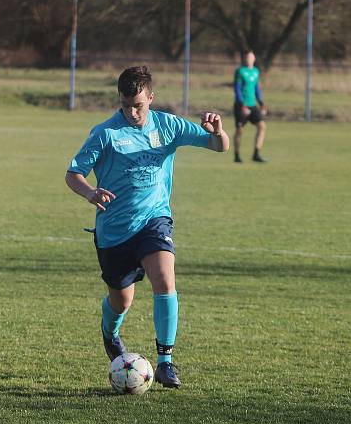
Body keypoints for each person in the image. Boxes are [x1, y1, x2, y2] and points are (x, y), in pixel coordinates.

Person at [65, 66, 230, 388]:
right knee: (121, 301)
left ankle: (166, 362)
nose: (132, 111)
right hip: (114, 229)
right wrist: (89, 192)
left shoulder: (168, 125)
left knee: (165, 279)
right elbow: (73, 173)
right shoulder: (105, 133)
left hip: (154, 219)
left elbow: (219, 146)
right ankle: (109, 330)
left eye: (138, 104)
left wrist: (217, 131)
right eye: (126, 104)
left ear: (151, 98)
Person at [232, 51, 267, 163]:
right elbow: (237, 89)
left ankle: (256, 154)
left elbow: (256, 88)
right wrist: (242, 105)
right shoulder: (240, 71)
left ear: (254, 58)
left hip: (252, 105)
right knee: (239, 130)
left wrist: (261, 103)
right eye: (246, 57)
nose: (248, 59)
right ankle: (237, 155)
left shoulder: (256, 71)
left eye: (250, 57)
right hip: (241, 105)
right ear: (244, 59)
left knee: (262, 126)